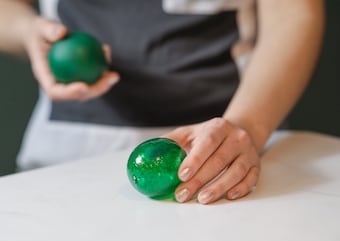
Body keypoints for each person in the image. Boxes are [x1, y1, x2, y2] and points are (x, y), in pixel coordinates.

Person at [0, 0, 324, 204]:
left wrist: (247, 126)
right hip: (60, 165)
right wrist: (27, 30)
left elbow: (292, 11)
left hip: (224, 165)